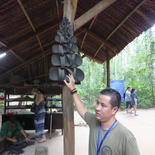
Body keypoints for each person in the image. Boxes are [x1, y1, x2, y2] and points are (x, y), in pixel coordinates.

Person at [64, 75, 140, 155]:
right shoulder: (94, 121)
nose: (97, 108)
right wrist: (72, 89)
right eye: (97, 103)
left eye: (103, 105)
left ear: (114, 110)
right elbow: (82, 109)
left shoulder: (126, 137)